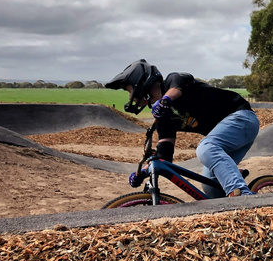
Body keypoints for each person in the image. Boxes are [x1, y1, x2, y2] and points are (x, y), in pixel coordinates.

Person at [106, 59, 259, 197]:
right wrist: (144, 171)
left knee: (205, 148)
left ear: (139, 83)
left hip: (242, 117)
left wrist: (166, 100)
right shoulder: (163, 117)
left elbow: (179, 85)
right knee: (208, 184)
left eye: (129, 90)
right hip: (227, 138)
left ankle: (243, 194)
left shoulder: (173, 81)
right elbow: (165, 157)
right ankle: (234, 196)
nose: (129, 96)